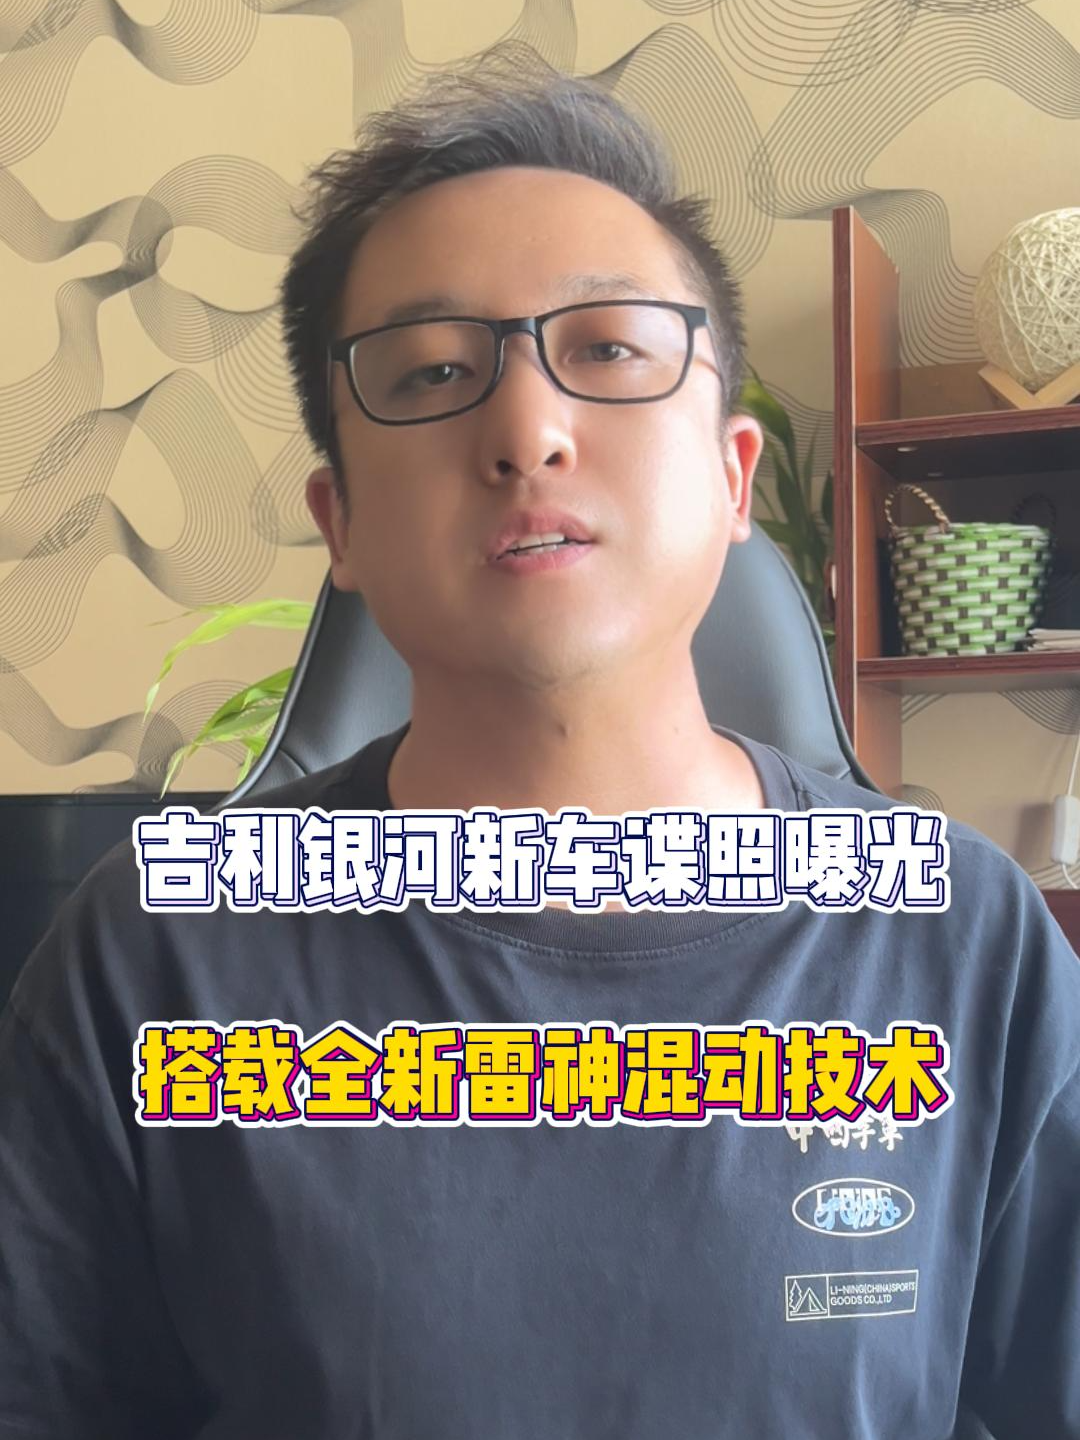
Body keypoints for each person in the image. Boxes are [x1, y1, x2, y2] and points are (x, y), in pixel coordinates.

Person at [1, 46, 1077, 1440]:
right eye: (435, 370)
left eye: (609, 349)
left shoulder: (964, 941)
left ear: (733, 479)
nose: (527, 430)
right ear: (341, 525)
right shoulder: (153, 960)